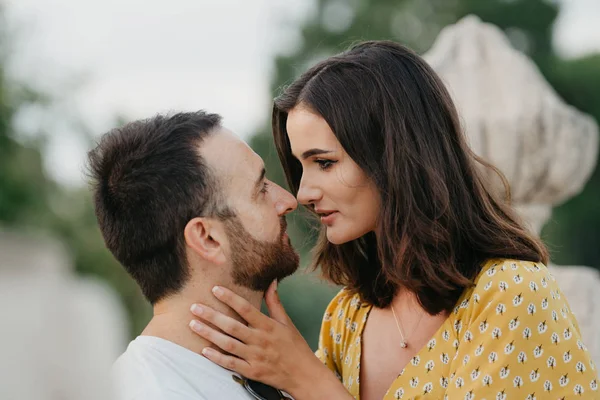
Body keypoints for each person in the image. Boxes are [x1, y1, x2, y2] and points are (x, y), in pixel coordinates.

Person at [187, 41, 599, 399]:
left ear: (394, 156)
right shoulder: (347, 317)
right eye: (301, 167)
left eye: (325, 163)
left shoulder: (512, 294)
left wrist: (309, 381)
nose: (303, 194)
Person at [87, 111, 299, 400]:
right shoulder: (157, 393)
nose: (288, 201)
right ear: (207, 238)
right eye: (260, 189)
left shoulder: (279, 368)